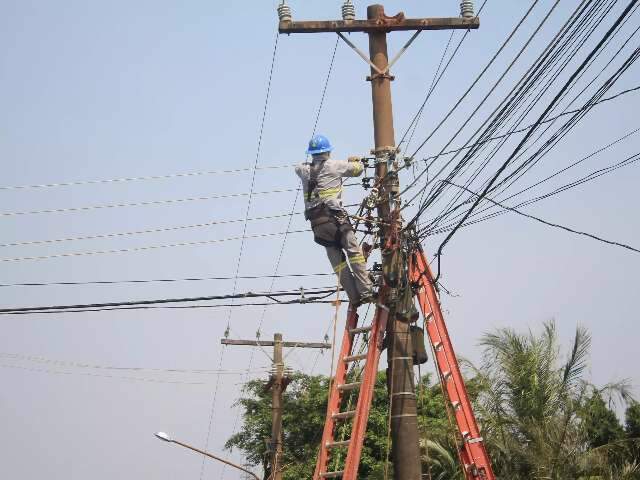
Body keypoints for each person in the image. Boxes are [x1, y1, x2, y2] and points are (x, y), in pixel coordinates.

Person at [295, 134, 374, 306]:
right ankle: (366, 291)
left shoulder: (303, 171)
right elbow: (358, 169)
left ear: (312, 154)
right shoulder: (333, 165)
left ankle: (354, 298)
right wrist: (356, 160)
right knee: (354, 253)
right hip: (336, 220)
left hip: (318, 226)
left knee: (338, 263)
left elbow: (298, 168)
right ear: (327, 152)